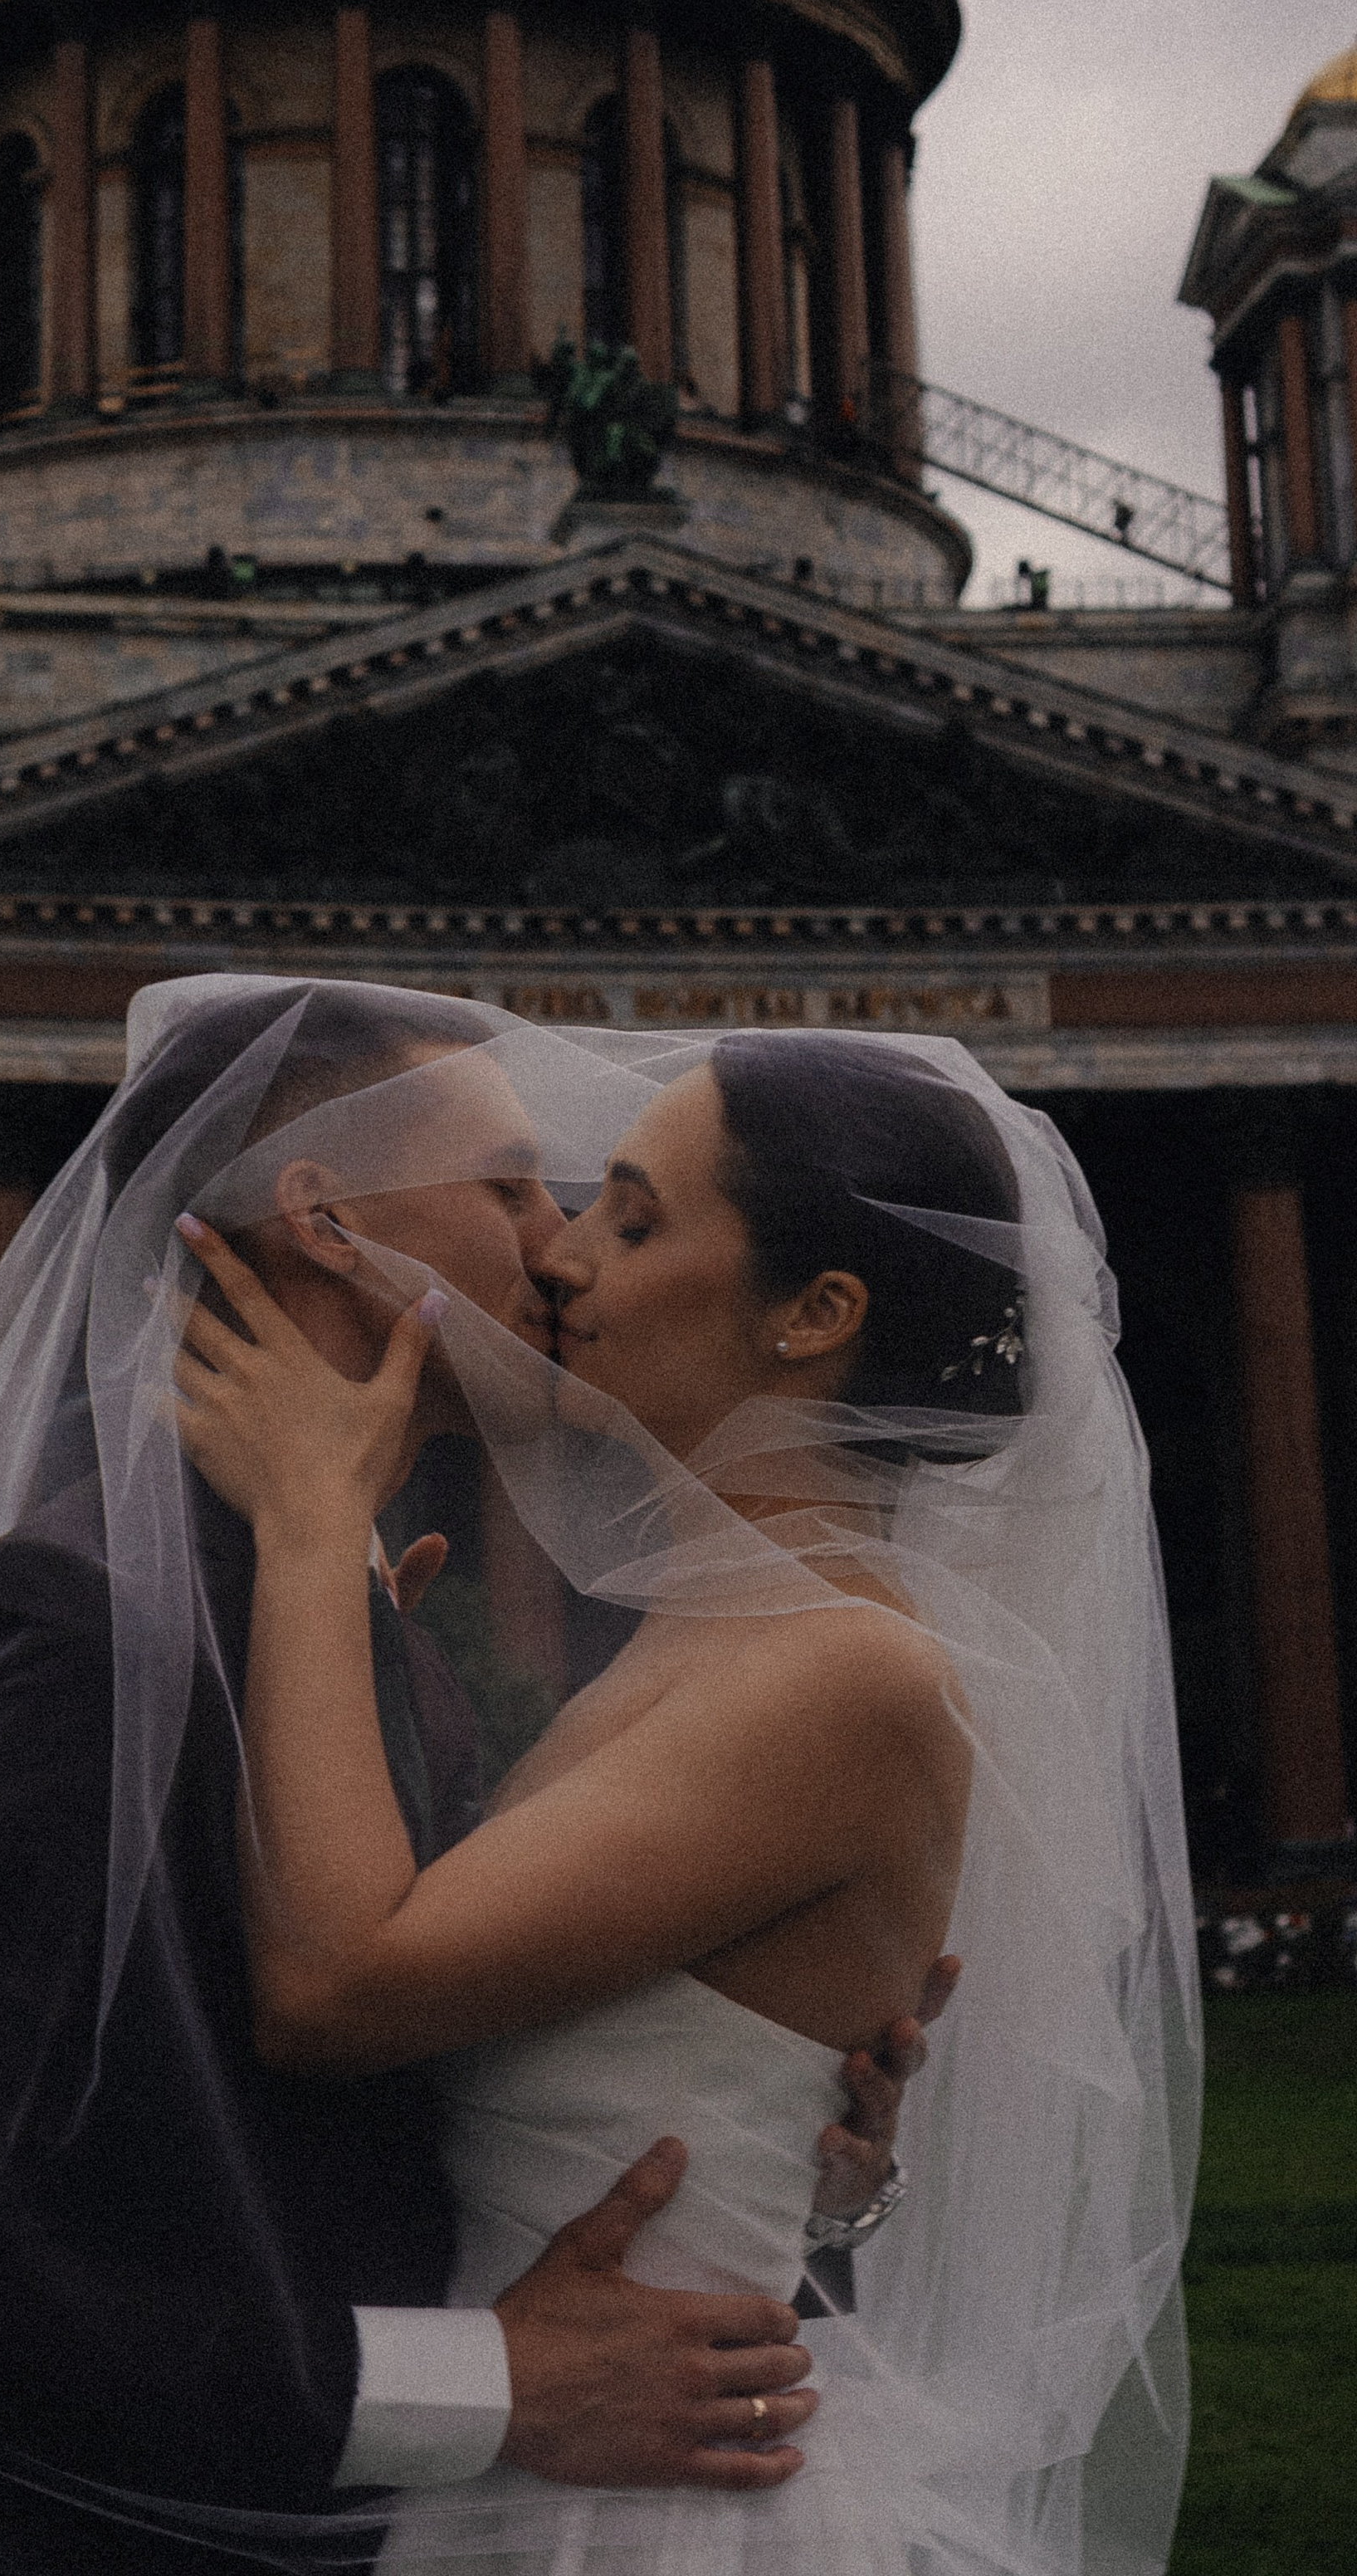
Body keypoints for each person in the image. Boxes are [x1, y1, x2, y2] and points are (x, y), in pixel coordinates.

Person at [0, 985, 940, 2576]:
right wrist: (486, 2388)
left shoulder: (355, 1620)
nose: (552, 1249)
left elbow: (389, 2134)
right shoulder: (72, 1624)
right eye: (509, 1185)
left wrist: (791, 2118)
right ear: (326, 1218)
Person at [171, 1028, 1199, 2576]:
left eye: (635, 1220)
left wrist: (313, 1529)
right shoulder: (709, 1637)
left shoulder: (843, 1674)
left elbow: (333, 1983)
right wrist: (820, 2178)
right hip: (546, 2456)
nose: (562, 1263)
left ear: (815, 1315)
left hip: (642, 2516)